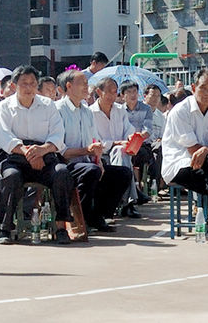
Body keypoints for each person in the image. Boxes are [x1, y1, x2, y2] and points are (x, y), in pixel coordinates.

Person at [0, 65, 74, 245]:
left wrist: (41, 151)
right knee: (10, 177)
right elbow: (4, 137)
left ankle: (61, 227)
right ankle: (5, 228)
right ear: (14, 85)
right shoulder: (3, 107)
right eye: (24, 83)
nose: (29, 88)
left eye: (32, 83)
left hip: (45, 156)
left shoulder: (48, 105)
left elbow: (58, 136)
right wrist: (27, 152)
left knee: (62, 173)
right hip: (15, 157)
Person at [161, 68, 208, 243]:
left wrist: (207, 149)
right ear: (194, 87)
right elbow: (194, 151)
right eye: (203, 87)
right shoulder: (181, 111)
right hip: (180, 165)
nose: (207, 92)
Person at [57, 69, 129, 234]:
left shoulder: (87, 111)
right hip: (65, 163)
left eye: (86, 83)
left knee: (122, 174)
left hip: (87, 162)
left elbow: (95, 141)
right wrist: (87, 151)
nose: (86, 87)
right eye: (81, 83)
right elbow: (61, 150)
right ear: (69, 86)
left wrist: (98, 158)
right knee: (91, 171)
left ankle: (99, 215)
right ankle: (81, 218)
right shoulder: (58, 110)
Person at [89, 77, 141, 219]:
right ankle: (128, 200)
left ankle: (125, 200)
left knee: (121, 152)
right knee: (119, 152)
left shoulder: (120, 110)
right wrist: (114, 143)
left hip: (121, 151)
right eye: (109, 92)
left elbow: (128, 129)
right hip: (101, 153)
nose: (113, 95)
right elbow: (93, 139)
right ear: (99, 92)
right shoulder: (90, 112)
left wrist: (130, 138)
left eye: (115, 92)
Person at [119, 80, 155, 205]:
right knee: (124, 154)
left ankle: (136, 189)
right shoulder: (119, 110)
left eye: (135, 91)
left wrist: (138, 137)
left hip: (142, 143)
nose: (133, 95)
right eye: (129, 92)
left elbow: (148, 129)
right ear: (122, 95)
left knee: (139, 153)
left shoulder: (146, 108)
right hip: (125, 143)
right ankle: (135, 190)